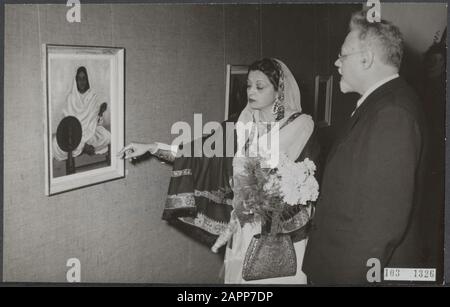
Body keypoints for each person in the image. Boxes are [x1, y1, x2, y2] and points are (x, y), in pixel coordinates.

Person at [118, 58, 319, 284]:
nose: (251, 91)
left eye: (259, 86)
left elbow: (305, 183)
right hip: (244, 228)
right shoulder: (240, 125)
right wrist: (153, 148)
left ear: (279, 90)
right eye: (248, 85)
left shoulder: (301, 126)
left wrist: (275, 200)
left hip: (284, 235)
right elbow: (197, 152)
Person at [302, 11, 429, 285]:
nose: (336, 63)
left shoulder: (392, 113)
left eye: (342, 55)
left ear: (366, 58)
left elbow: (379, 226)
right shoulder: (382, 104)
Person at [53, 66, 110, 161]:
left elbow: (96, 124)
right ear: (76, 81)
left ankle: (82, 147)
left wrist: (100, 112)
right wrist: (78, 137)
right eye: (79, 79)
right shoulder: (70, 98)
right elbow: (67, 123)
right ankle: (83, 148)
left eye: (84, 79)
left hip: (90, 133)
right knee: (55, 144)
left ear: (87, 80)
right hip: (74, 133)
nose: (82, 82)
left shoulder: (93, 96)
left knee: (106, 136)